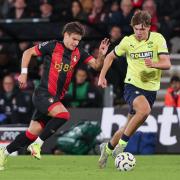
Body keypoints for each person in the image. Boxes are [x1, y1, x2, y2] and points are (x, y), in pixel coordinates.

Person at [0, 21, 110, 170]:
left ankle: (4, 152)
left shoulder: (79, 53)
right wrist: (24, 74)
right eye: (74, 39)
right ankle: (37, 145)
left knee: (31, 134)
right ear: (66, 35)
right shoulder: (52, 46)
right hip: (43, 94)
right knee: (63, 115)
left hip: (54, 99)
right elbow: (28, 52)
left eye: (78, 40)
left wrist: (102, 55)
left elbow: (97, 66)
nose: (76, 43)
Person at [98, 10, 171, 168]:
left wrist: (154, 64)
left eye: (142, 29)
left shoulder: (158, 39)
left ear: (149, 28)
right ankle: (121, 147)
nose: (138, 32)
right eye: (136, 29)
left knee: (127, 127)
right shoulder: (127, 41)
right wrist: (102, 76)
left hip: (151, 89)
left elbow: (167, 63)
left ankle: (108, 148)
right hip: (132, 85)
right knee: (144, 111)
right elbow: (110, 56)